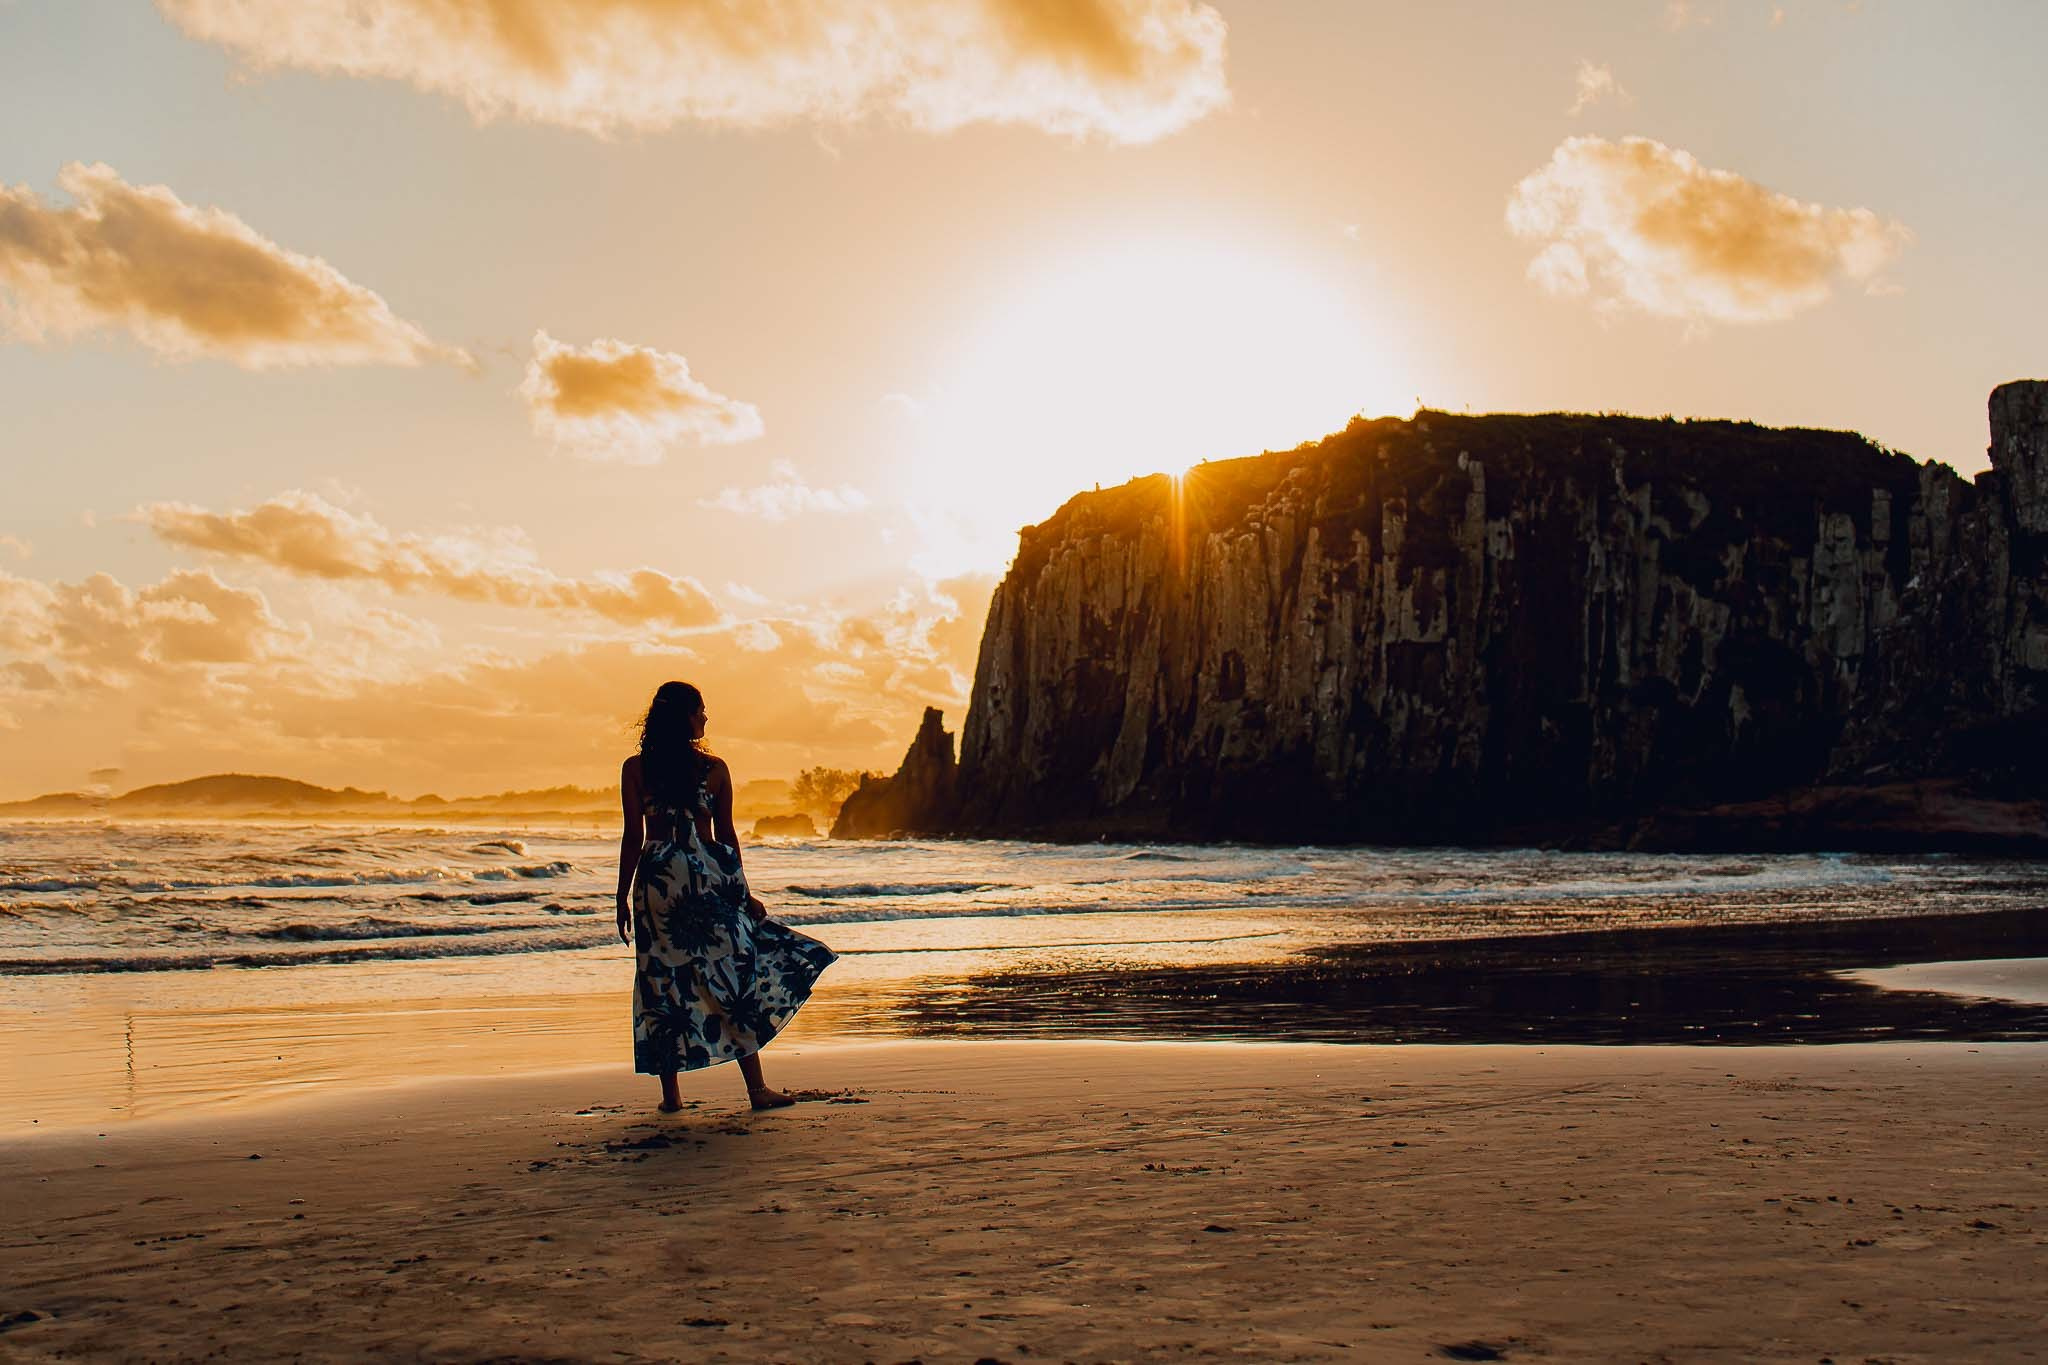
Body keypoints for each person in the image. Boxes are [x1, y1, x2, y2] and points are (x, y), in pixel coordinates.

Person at [615, 681, 837, 1112]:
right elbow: (726, 837)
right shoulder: (714, 769)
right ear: (684, 716)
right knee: (732, 976)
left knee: (662, 982)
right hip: (706, 880)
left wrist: (622, 896)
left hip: (657, 884)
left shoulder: (636, 768)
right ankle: (756, 1090)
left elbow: (632, 836)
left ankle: (672, 1098)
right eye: (700, 711)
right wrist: (744, 894)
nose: (705, 719)